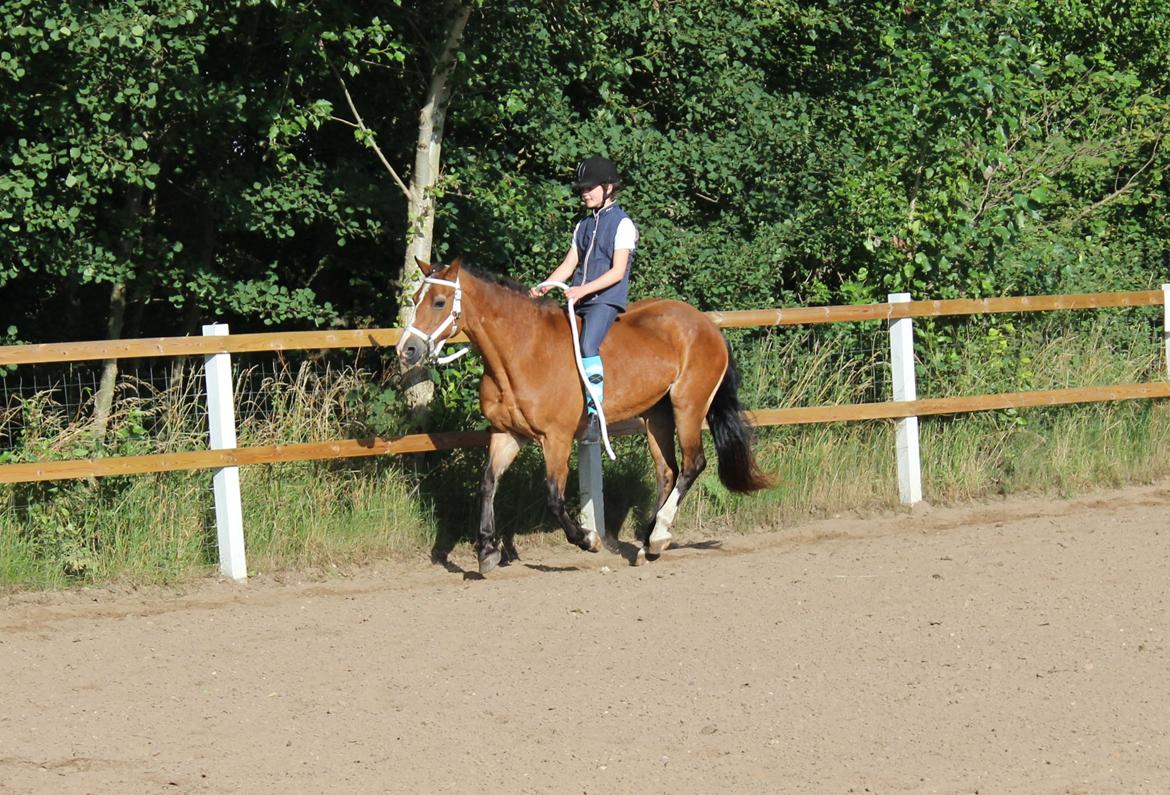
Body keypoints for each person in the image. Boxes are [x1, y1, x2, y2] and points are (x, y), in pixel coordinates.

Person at [530, 155, 638, 445]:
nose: (584, 193)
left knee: (588, 344)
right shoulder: (583, 225)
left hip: (605, 300)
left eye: (590, 188)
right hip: (579, 299)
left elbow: (617, 272)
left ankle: (594, 414)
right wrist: (543, 286)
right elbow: (569, 265)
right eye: (582, 189)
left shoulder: (623, 224)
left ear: (609, 188)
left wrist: (583, 289)